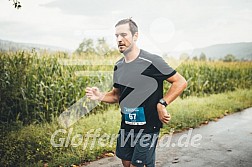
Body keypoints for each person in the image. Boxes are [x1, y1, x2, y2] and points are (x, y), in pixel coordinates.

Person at [85, 18, 187, 167]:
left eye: (124, 35)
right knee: (127, 163)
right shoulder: (119, 66)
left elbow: (180, 82)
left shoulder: (152, 61)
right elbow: (116, 95)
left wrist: (162, 103)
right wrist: (100, 96)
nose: (119, 39)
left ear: (135, 36)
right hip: (126, 126)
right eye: (116, 36)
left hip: (148, 127)